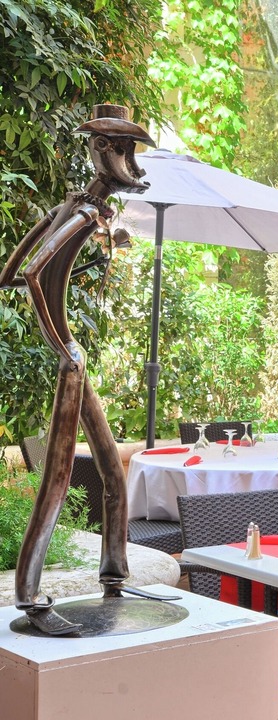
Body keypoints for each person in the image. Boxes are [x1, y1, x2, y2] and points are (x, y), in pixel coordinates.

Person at [0, 104, 173, 635]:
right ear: (107, 152)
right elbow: (30, 273)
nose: (135, 162)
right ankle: (29, 596)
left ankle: (115, 573)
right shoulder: (81, 212)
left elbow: (8, 271)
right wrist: (61, 343)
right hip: (70, 354)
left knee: (112, 472)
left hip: (72, 349)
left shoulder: (78, 205)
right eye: (128, 150)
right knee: (57, 478)